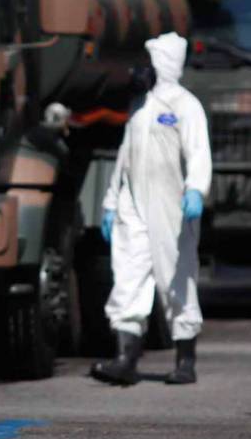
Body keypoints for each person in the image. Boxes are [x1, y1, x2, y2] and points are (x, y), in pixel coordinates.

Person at [91, 31, 212, 386]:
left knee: (176, 276)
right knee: (128, 275)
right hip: (134, 205)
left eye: (150, 62)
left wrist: (195, 191)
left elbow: (199, 153)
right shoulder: (140, 107)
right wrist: (112, 202)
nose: (142, 69)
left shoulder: (185, 105)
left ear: (166, 64)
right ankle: (125, 358)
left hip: (172, 207)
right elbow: (125, 159)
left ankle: (185, 360)